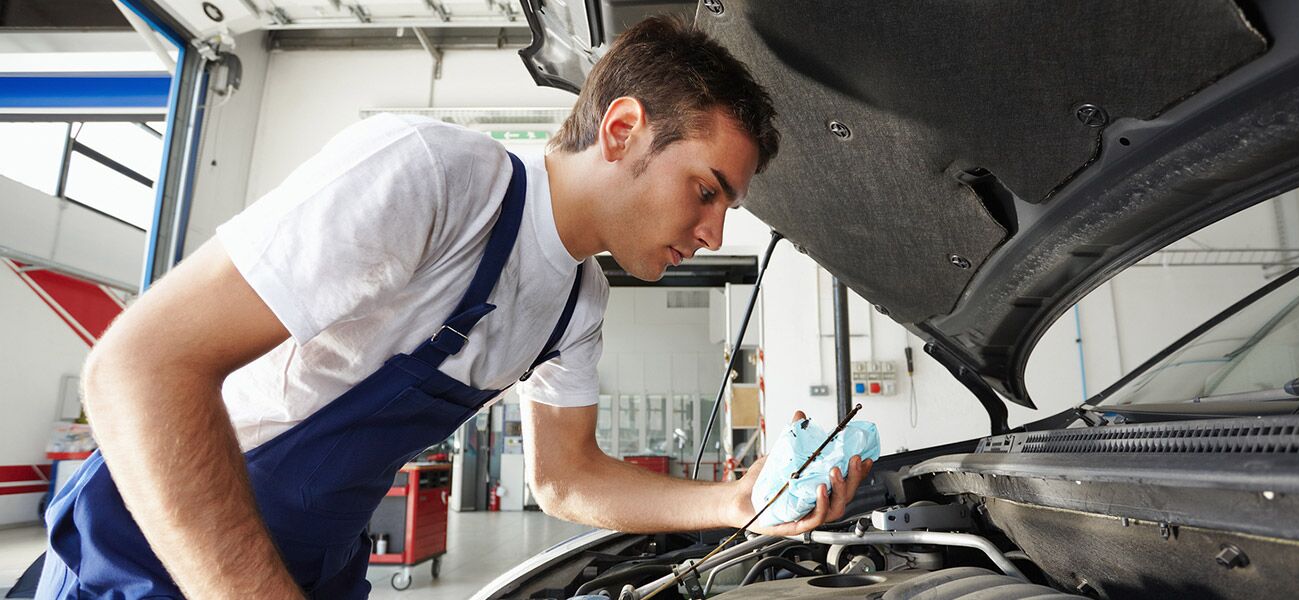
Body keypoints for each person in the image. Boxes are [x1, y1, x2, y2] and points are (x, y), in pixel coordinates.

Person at [37, 16, 873, 599]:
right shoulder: (430, 177)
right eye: (705, 190)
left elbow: (564, 478)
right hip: (164, 543)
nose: (715, 231)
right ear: (621, 130)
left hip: (313, 562)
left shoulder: (575, 303)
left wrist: (737, 503)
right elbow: (138, 369)